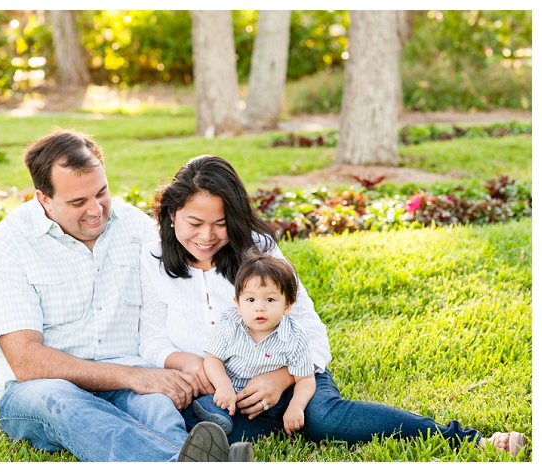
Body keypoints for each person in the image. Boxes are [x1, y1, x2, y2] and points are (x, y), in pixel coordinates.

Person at [138, 154, 528, 457]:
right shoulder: (153, 257)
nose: (207, 236)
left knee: (324, 419)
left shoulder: (256, 249)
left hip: (290, 370)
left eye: (221, 223)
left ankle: (468, 440)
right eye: (194, 223)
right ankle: (272, 426)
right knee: (205, 419)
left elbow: (306, 323)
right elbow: (151, 340)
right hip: (220, 389)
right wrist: (190, 363)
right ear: (171, 215)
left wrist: (283, 378)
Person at [0, 130, 252, 462]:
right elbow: (26, 361)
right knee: (63, 400)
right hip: (42, 388)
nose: (95, 210)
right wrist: (133, 376)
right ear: (43, 198)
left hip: (130, 375)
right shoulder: (9, 244)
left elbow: (191, 293)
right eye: (77, 202)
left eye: (101, 193)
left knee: (158, 407)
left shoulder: (136, 227)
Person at [193, 251, 316, 438]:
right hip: (230, 395)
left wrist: (296, 407)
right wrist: (223, 385)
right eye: (250, 300)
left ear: (287, 306)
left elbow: (305, 379)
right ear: (238, 304)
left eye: (270, 299)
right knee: (209, 405)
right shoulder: (229, 324)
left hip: (268, 403)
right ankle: (214, 418)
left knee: (271, 419)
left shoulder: (295, 336)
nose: (259, 307)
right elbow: (212, 359)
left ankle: (223, 428)